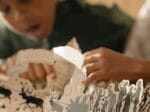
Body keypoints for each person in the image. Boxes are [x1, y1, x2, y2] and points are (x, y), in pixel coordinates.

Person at [0, 0, 134, 81]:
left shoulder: (101, 23)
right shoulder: (8, 34)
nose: (19, 16)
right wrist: (9, 65)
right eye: (5, 9)